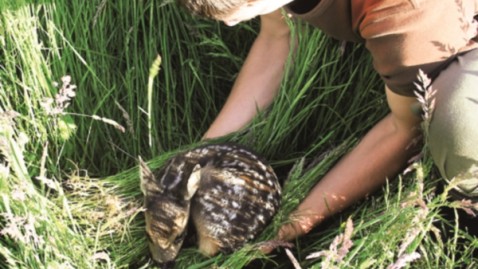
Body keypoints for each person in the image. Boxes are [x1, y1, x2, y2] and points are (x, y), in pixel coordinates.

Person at [177, 0, 478, 243]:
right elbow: (278, 37)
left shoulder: (405, 13)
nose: (231, 23)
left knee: (459, 125)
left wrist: (293, 225)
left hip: (443, 32)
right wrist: (195, 159)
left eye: (247, 8)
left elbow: (402, 129)